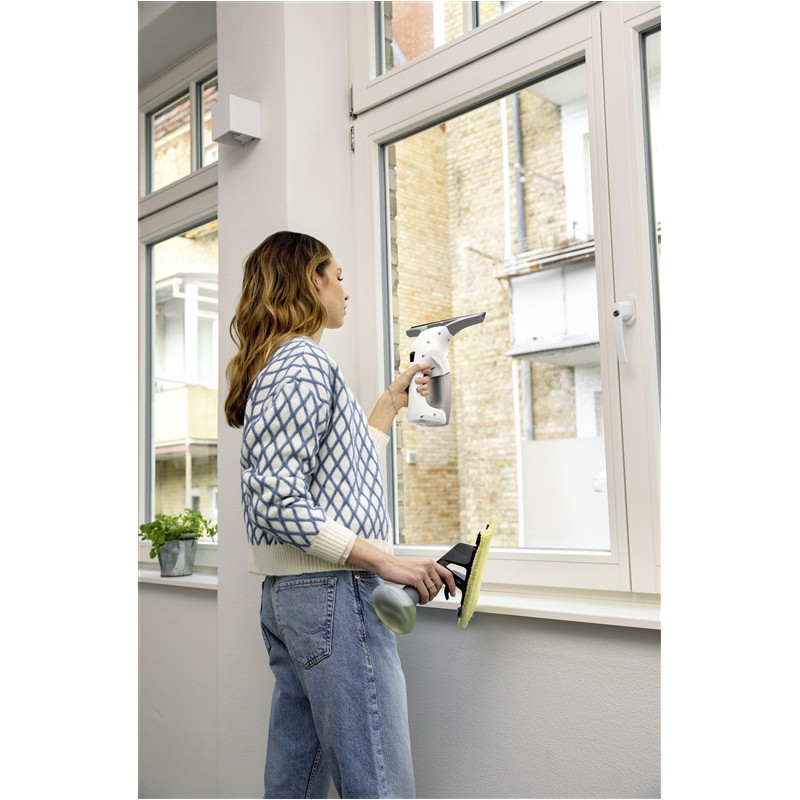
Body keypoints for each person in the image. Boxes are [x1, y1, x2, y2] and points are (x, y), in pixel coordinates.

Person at [224, 230, 457, 799]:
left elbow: (339, 475)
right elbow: (277, 499)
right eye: (339, 276)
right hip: (333, 594)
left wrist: (390, 403)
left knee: (295, 782)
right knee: (378, 783)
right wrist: (386, 562)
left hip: (298, 597)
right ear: (313, 280)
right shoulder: (303, 362)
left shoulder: (283, 364)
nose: (346, 291)